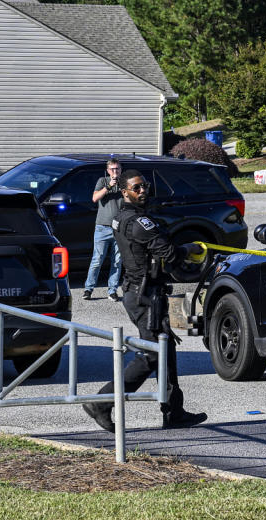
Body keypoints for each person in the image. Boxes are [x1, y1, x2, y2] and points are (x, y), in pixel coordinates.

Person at [83, 169, 207, 432]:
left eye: (145, 186)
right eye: (136, 188)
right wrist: (191, 249)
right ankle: (102, 402)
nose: (143, 191)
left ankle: (174, 411)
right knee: (152, 354)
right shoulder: (138, 223)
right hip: (143, 296)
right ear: (125, 192)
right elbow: (170, 253)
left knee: (166, 350)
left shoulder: (125, 217)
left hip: (147, 292)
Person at [82, 159, 123, 301]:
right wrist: (109, 187)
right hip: (102, 227)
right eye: (112, 169)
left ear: (121, 169)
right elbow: (94, 198)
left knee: (117, 261)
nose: (115, 172)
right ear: (107, 170)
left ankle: (112, 291)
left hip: (119, 228)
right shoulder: (103, 181)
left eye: (117, 169)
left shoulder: (124, 182)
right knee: (97, 259)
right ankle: (88, 289)